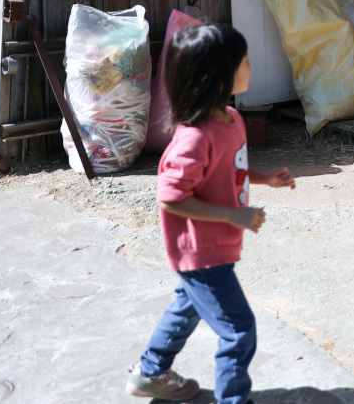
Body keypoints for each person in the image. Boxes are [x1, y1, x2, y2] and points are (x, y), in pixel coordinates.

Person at [125, 23, 295, 402]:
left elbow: (228, 169)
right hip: (199, 252)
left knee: (187, 307)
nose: (250, 64)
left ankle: (150, 372)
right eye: (243, 60)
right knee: (238, 329)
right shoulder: (193, 137)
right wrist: (232, 216)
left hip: (215, 245)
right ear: (217, 76)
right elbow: (171, 197)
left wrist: (265, 178)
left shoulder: (232, 120)